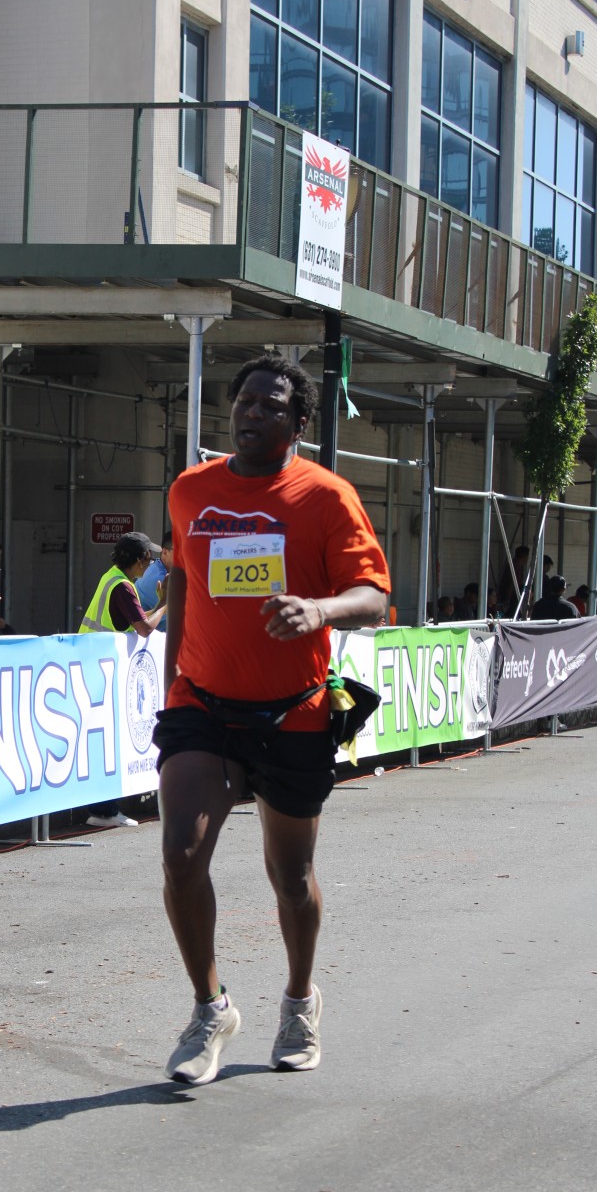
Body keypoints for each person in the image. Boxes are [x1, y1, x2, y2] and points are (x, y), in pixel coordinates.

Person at [154, 353, 389, 1086]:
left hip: (293, 711)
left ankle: (299, 1000)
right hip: (202, 706)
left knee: (291, 876)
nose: (252, 412)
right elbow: (184, 583)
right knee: (181, 855)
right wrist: (171, 683)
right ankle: (210, 1008)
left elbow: (375, 597)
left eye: (271, 405)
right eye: (245, 400)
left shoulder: (325, 495)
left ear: (299, 423)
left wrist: (319, 609)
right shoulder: (191, 490)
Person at [78, 530, 167, 828]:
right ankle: (103, 810)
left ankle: (103, 809)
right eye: (149, 559)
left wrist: (160, 605)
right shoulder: (123, 586)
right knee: (106, 743)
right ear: (140, 560)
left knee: (103, 741)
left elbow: (138, 620)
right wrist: (166, 603)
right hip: (100, 670)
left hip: (95, 666)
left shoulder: (115, 578)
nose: (151, 563)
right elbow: (145, 628)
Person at [134, 528, 173, 631]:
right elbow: (183, 613)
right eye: (180, 550)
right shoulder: (157, 578)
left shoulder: (159, 568)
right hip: (144, 638)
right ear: (165, 553)